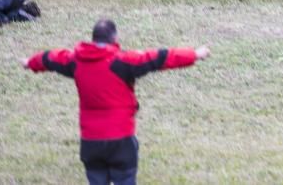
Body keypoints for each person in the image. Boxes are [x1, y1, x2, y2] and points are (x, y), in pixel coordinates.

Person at [23, 19, 210, 185]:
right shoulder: (123, 62)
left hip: (91, 141)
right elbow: (160, 58)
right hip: (121, 140)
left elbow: (49, 58)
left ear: (93, 38)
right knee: (125, 178)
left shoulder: (75, 61)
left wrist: (29, 62)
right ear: (115, 38)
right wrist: (194, 54)